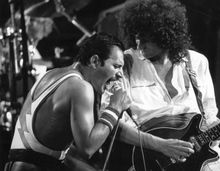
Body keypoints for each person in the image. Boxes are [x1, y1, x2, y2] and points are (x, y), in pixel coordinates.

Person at [117, 0, 220, 170]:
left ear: (164, 33)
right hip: (150, 160)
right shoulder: (123, 63)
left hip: (202, 158)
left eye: (146, 38)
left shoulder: (197, 62)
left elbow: (208, 122)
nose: (139, 44)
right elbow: (116, 126)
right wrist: (161, 145)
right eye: (136, 36)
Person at [4, 33, 131, 171]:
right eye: (116, 66)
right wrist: (114, 107)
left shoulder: (48, 75)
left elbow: (51, 151)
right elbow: (88, 148)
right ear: (94, 61)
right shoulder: (81, 87)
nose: (120, 75)